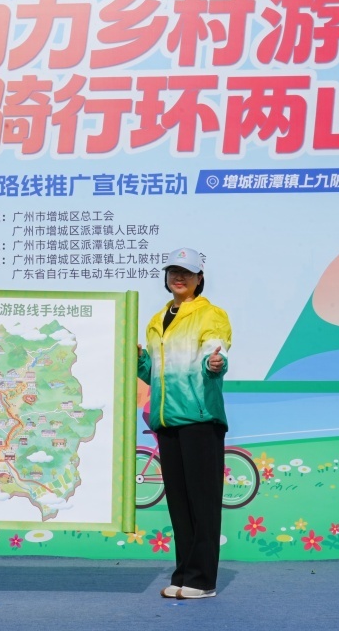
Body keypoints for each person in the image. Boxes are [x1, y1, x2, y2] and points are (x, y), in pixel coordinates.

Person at [136, 247, 231, 600]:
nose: (179, 277)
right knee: (179, 503)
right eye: (174, 271)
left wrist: (215, 364)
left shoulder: (211, 314)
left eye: (187, 272)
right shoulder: (156, 319)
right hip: (166, 419)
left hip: (199, 417)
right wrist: (139, 359)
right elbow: (154, 372)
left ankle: (202, 580)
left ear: (199, 278)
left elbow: (215, 352)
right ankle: (183, 574)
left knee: (202, 502)